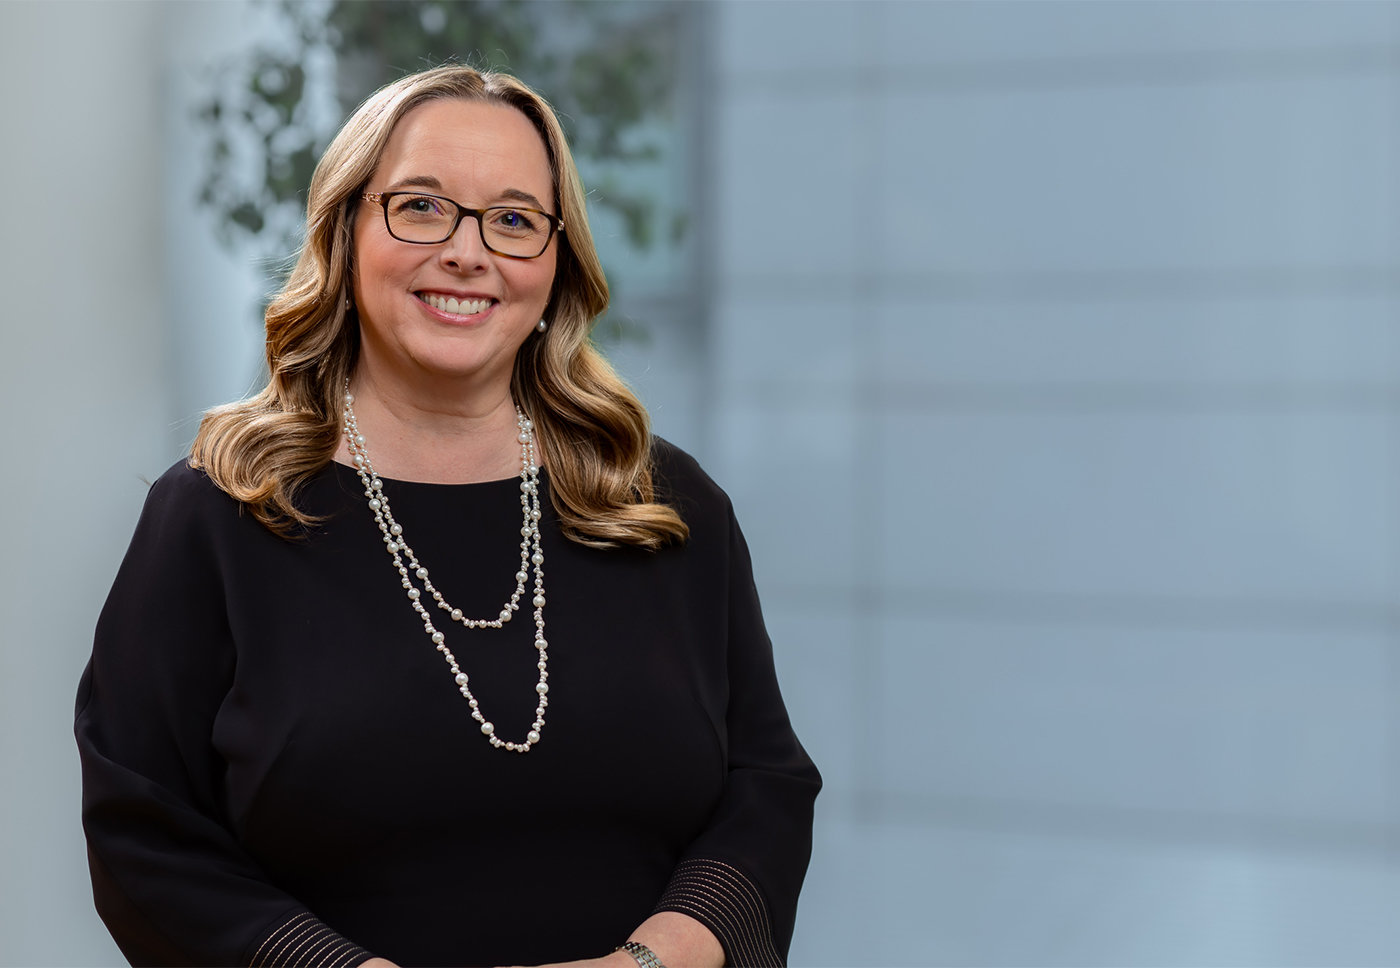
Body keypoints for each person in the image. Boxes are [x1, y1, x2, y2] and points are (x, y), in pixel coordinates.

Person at [74, 64, 820, 968]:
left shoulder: (659, 502)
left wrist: (651, 964)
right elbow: (143, 832)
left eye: (514, 220)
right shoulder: (218, 513)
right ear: (346, 230)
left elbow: (766, 785)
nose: (468, 252)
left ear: (557, 260)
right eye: (421, 207)